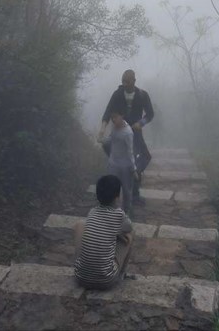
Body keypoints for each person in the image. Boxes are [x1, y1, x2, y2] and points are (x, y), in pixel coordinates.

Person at [98, 70, 154, 205]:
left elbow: (150, 114)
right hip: (119, 132)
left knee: (145, 157)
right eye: (123, 81)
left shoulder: (142, 95)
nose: (125, 84)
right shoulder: (117, 94)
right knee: (109, 147)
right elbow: (108, 112)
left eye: (127, 82)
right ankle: (129, 194)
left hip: (135, 133)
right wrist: (103, 128)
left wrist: (141, 123)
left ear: (134, 81)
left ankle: (133, 184)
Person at [74, 174, 134, 290]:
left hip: (80, 277)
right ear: (117, 197)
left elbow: (103, 226)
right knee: (130, 235)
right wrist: (119, 232)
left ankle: (82, 265)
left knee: (80, 224)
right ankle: (121, 274)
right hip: (106, 281)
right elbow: (129, 227)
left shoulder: (92, 211)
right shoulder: (119, 214)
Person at [105, 110, 138, 215]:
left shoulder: (128, 132)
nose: (113, 120)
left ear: (122, 116)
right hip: (113, 164)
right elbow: (111, 139)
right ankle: (113, 213)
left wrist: (133, 169)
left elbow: (130, 151)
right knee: (112, 188)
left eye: (116, 117)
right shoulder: (114, 128)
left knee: (127, 191)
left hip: (125, 166)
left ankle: (127, 212)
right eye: (112, 118)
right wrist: (103, 140)